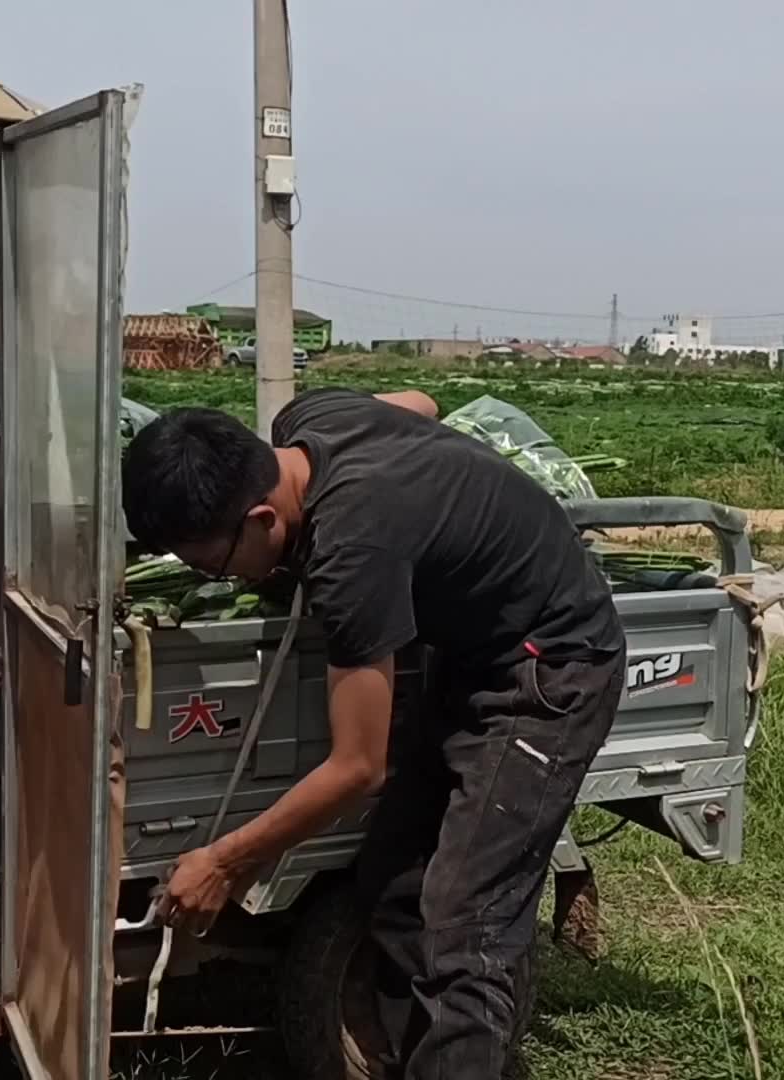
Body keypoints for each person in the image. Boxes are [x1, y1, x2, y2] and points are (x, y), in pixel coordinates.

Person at [122, 388, 626, 1078]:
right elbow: (419, 402)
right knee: (394, 882)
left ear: (264, 516)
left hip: (550, 669)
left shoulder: (352, 555)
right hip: (469, 653)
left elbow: (356, 766)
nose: (217, 577)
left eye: (213, 563)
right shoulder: (307, 422)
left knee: (463, 924)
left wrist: (224, 862)